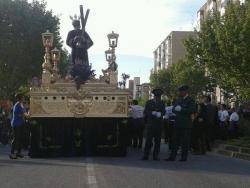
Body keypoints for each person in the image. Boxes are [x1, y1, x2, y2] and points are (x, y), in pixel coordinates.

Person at [166, 85, 196, 162]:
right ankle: (172, 156)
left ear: (185, 91)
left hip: (186, 124)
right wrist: (177, 110)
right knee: (174, 140)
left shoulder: (190, 100)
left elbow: (192, 110)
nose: (179, 93)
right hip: (177, 123)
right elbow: (173, 109)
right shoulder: (178, 100)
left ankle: (183, 157)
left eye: (181, 91)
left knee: (185, 142)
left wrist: (182, 109)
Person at [142, 88, 165, 161]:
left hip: (158, 124)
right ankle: (146, 155)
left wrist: (160, 114)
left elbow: (164, 111)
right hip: (151, 124)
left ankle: (156, 156)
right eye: (157, 96)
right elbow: (145, 111)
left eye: (159, 97)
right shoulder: (149, 102)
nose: (158, 98)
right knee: (148, 141)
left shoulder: (162, 103)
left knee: (157, 141)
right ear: (154, 96)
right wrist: (152, 113)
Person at [9, 93, 29, 159]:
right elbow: (20, 115)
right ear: (20, 98)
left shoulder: (22, 105)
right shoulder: (17, 105)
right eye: (23, 97)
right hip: (16, 124)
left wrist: (28, 114)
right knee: (16, 138)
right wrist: (26, 115)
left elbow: (25, 113)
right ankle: (12, 153)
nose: (24, 98)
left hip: (21, 124)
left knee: (20, 138)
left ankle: (18, 153)